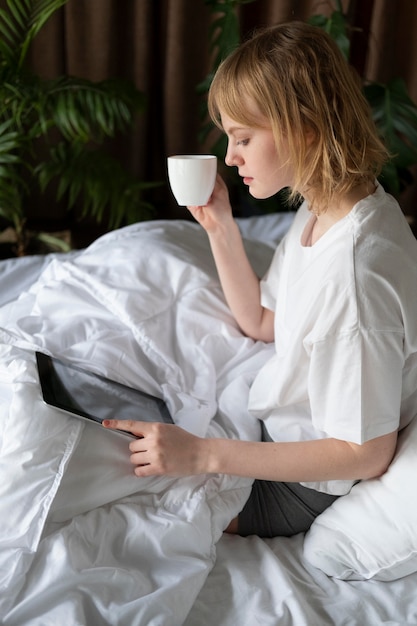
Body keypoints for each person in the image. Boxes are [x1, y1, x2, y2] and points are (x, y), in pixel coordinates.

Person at [103, 21, 417, 537]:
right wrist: (220, 227)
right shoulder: (325, 210)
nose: (230, 157)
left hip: (307, 485)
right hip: (276, 432)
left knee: (133, 509)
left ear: (304, 127)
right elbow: (263, 321)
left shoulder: (356, 274)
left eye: (243, 138)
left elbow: (365, 452)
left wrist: (202, 455)